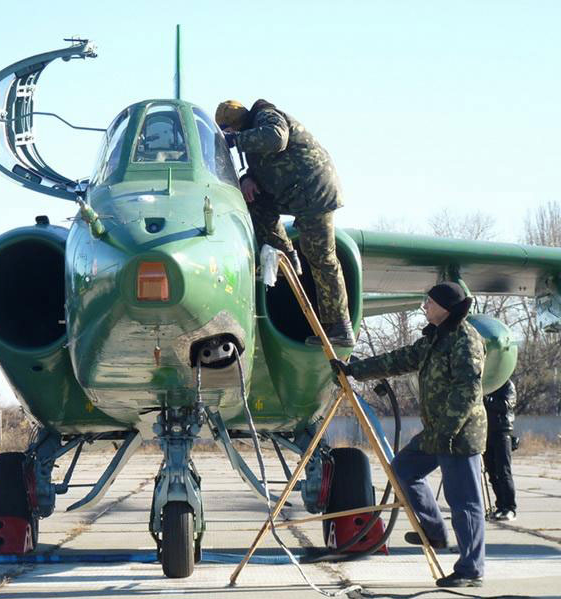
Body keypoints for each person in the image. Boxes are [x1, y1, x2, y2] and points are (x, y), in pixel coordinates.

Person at [332, 282, 487, 588]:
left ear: (445, 306)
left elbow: (468, 390)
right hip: (437, 431)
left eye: (428, 302)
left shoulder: (465, 340)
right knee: (404, 468)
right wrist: (353, 370)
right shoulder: (435, 339)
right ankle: (434, 531)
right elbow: (399, 359)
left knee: (464, 502)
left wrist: (447, 432)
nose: (424, 307)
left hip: (459, 434)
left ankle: (471, 569)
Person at [214, 100, 354, 347]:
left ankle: (340, 327)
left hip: (314, 193)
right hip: (292, 193)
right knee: (255, 203)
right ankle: (286, 256)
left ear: (236, 127)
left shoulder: (267, 117)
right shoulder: (252, 134)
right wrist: (247, 178)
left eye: (231, 132)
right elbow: (264, 164)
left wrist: (236, 140)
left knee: (321, 257)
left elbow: (277, 138)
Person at [483, 379, 517, 521]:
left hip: (502, 431)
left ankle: (510, 508)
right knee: (492, 472)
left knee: (503, 471)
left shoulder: (507, 385)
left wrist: (485, 399)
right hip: (486, 432)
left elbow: (506, 405)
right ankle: (500, 506)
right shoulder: (485, 385)